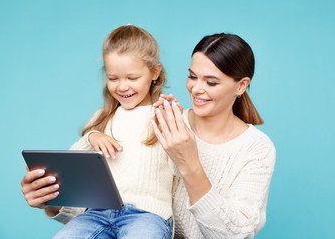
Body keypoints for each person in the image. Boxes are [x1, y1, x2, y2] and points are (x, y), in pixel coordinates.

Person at [20, 25, 174, 238]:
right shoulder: (101, 118)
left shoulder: (166, 116)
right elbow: (74, 166)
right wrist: (92, 135)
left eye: (132, 78)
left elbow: (183, 169)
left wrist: (173, 117)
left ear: (155, 72)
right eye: (113, 78)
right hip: (96, 214)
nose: (122, 87)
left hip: (147, 215)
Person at [151, 33, 276, 238]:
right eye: (192, 76)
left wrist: (189, 163)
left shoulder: (257, 148)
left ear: (241, 85)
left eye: (211, 82)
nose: (196, 89)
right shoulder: (169, 122)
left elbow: (234, 234)